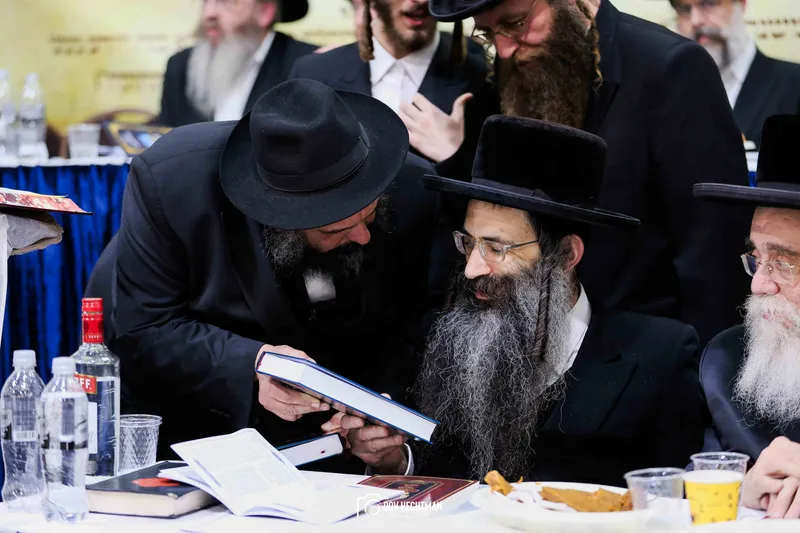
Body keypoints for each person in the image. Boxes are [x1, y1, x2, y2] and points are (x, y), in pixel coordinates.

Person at [335, 115, 706, 486]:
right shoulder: (442, 337)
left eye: (496, 248)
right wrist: (392, 459)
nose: (472, 269)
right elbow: (434, 465)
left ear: (566, 255)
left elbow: (681, 498)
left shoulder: (659, 354)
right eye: (468, 243)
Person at [106, 79, 437, 461]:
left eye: (370, 214)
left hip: (339, 419)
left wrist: (379, 404)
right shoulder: (172, 180)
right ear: (284, 222)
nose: (363, 236)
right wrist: (256, 362)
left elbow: (417, 320)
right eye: (336, 230)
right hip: (204, 418)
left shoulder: (411, 185)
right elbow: (145, 329)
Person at [413, 0, 753, 347]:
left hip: (643, 349)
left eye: (515, 23)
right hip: (533, 344)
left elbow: (713, 247)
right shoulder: (512, 65)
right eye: (488, 34)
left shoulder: (669, 67)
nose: (503, 49)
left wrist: (706, 366)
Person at [693, 115, 800, 519]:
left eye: (784, 263)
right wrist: (741, 490)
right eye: (757, 258)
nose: (759, 285)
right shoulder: (728, 360)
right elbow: (693, 482)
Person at [288, 0, 489, 163]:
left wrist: (454, 156)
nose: (421, 1)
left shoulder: (480, 77)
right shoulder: (314, 74)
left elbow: (491, 188)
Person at [155, 0, 317, 128]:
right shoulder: (180, 66)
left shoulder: (307, 66)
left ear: (265, 11)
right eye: (205, 1)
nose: (209, 13)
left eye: (226, 1)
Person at [669, 0, 800, 147]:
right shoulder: (668, 90)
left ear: (742, 4)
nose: (695, 20)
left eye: (709, 4)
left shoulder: (794, 84)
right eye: (684, 9)